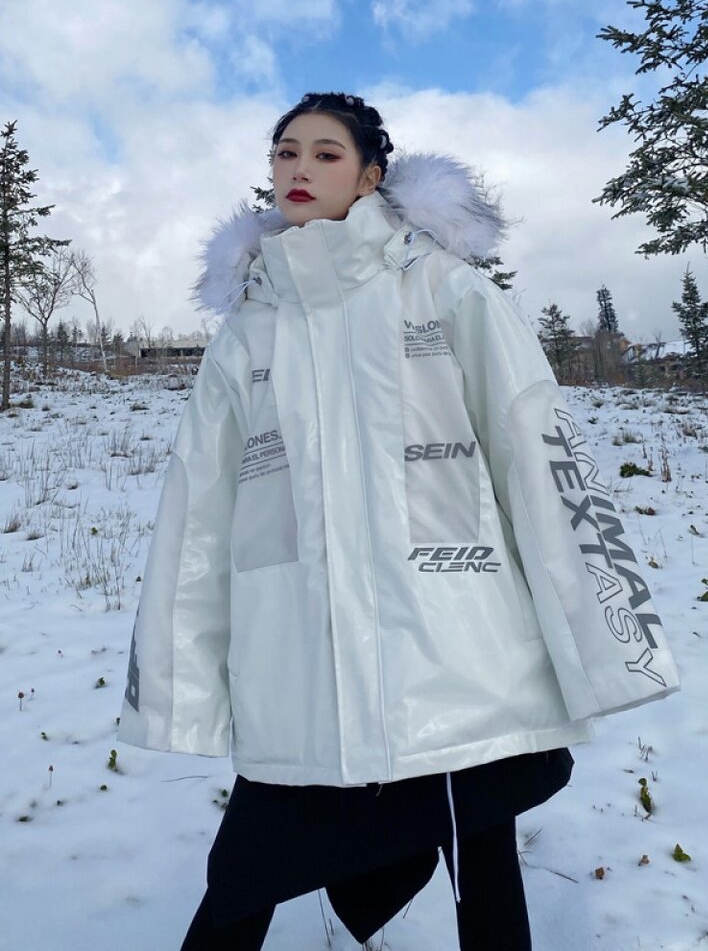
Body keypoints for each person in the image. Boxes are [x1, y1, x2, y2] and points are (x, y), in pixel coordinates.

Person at [118, 92, 679, 950]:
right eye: (285, 153)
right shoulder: (249, 332)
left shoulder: (446, 290)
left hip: (459, 659)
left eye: (326, 154)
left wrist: (608, 637)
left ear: (371, 177)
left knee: (483, 865)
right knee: (243, 878)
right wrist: (177, 679)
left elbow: (534, 454)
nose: (299, 169)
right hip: (298, 665)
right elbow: (200, 511)